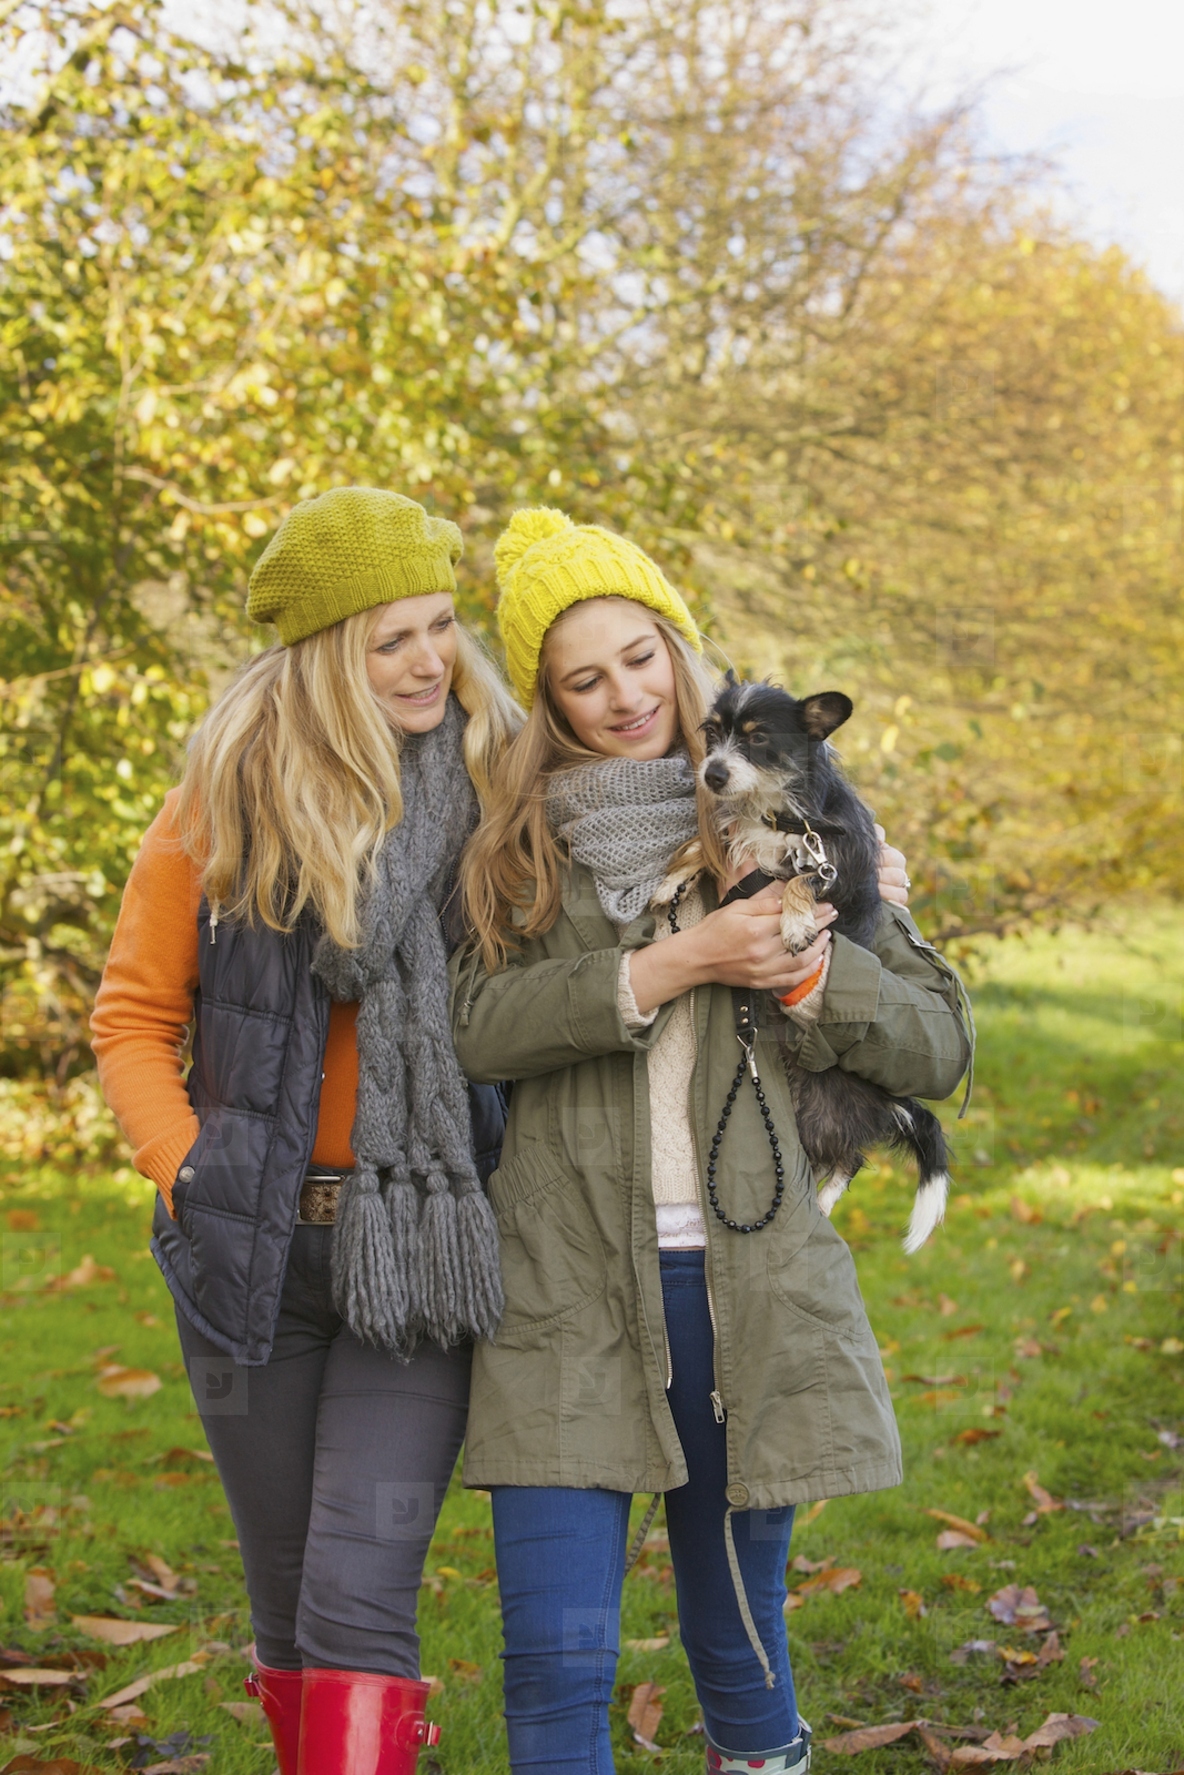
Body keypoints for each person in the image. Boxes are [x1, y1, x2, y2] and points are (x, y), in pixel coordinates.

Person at [453, 507, 973, 1775]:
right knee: (554, 1654)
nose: (625, 694)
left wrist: (810, 980)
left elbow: (937, 1046)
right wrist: (673, 958)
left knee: (737, 1643)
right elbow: (472, 1024)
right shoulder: (516, 848)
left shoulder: (801, 820)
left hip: (742, 1281)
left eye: (640, 655)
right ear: (549, 703)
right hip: (562, 1288)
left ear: (678, 646)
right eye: (583, 678)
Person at [92, 488, 520, 1775]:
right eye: (390, 637)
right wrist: (189, 1174)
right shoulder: (220, 805)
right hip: (250, 1257)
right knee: (284, 1609)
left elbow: (638, 842)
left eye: (442, 624)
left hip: (418, 1251)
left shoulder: (495, 793)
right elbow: (130, 1018)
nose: (430, 660)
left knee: (354, 1600)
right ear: (328, 653)